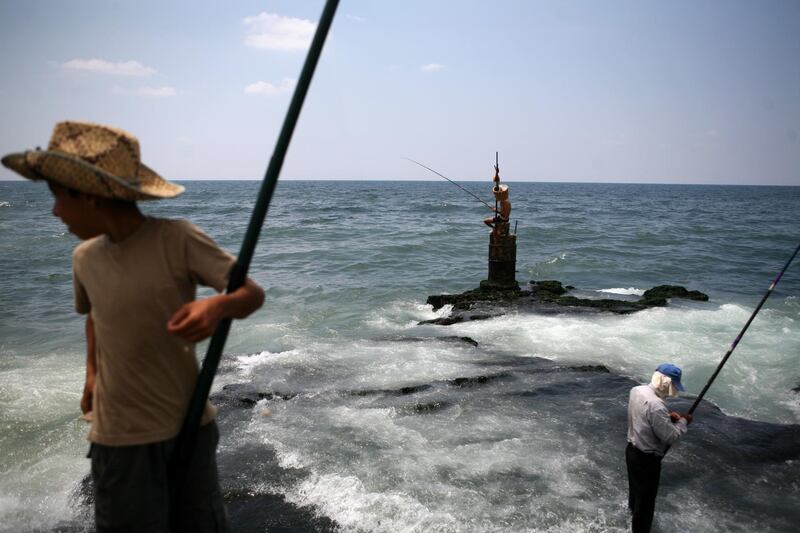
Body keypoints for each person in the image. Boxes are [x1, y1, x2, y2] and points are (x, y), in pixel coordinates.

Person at [2, 121, 265, 532]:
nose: (54, 211)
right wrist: (91, 375)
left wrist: (216, 306)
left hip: (187, 425)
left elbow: (250, 293)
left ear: (90, 196)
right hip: (117, 437)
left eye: (56, 197)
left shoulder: (177, 239)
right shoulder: (84, 258)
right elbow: (96, 318)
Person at [626, 363, 693, 533]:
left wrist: (667, 417)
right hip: (647, 460)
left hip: (631, 451)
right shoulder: (656, 405)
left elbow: (645, 414)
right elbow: (670, 436)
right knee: (646, 504)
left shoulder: (636, 390)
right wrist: (684, 421)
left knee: (636, 493)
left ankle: (631, 518)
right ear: (666, 382)